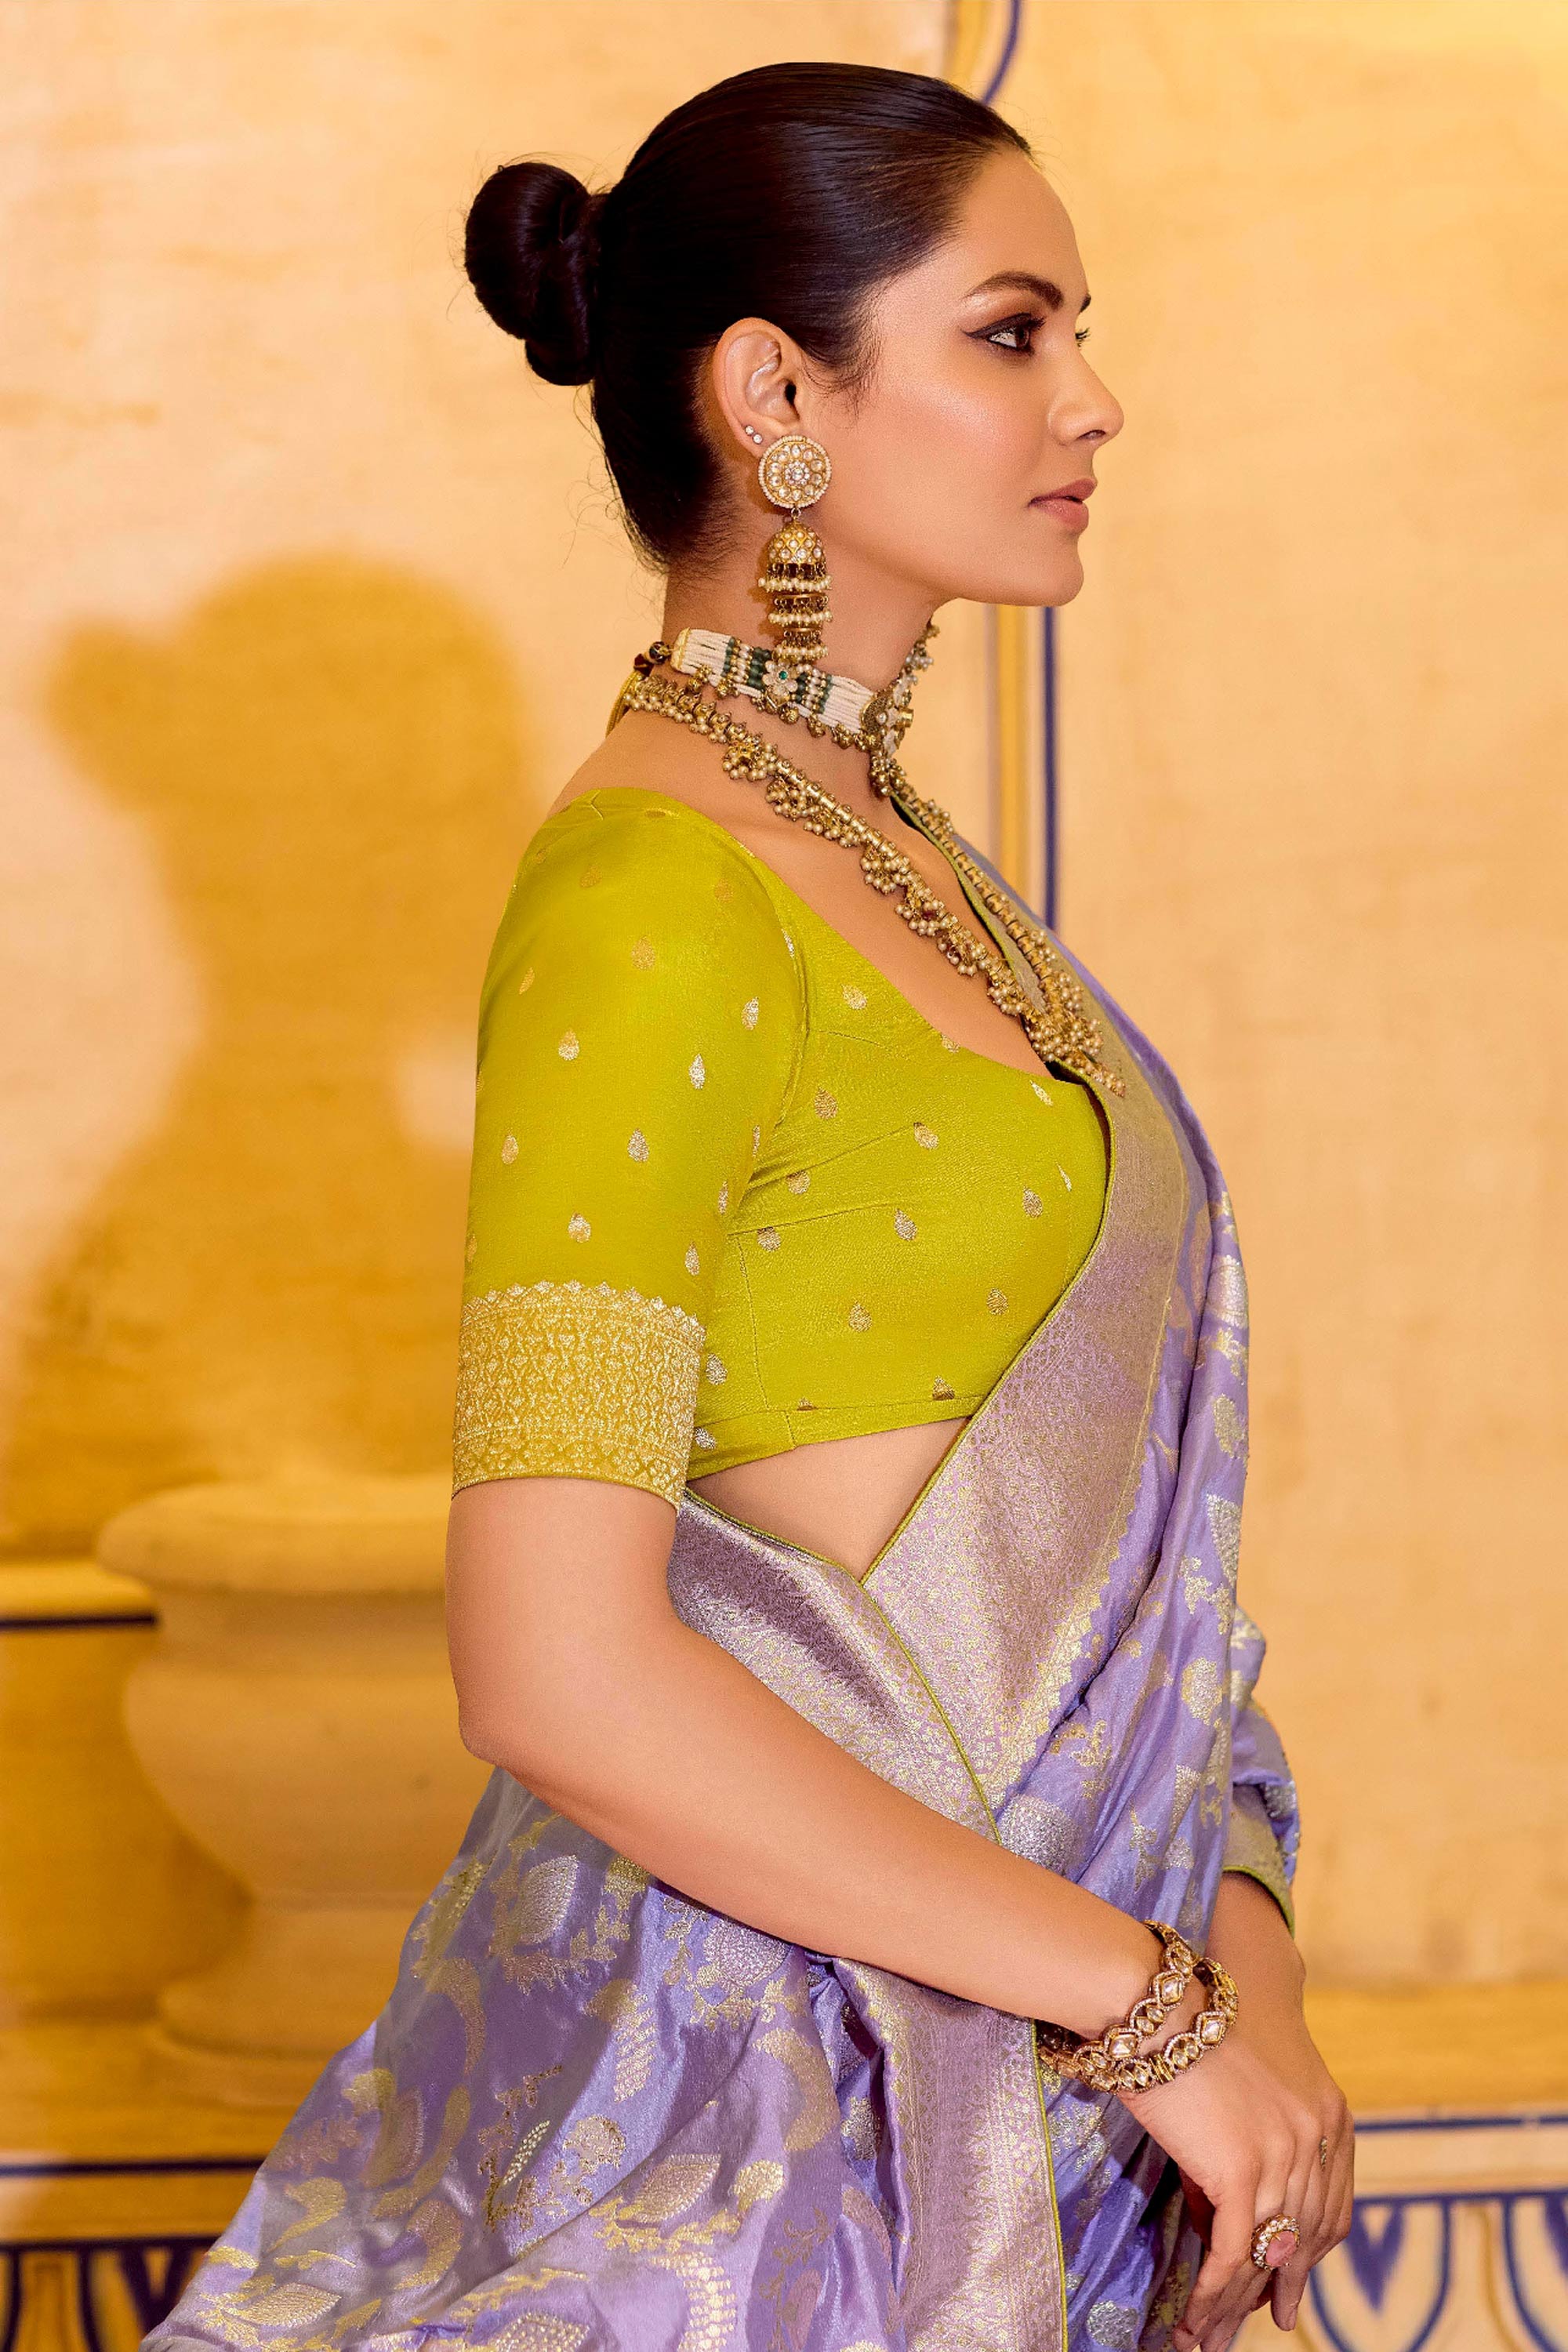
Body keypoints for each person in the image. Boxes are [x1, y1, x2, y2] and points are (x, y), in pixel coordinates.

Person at [147, 60, 1352, 2352]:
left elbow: (1157, 1631)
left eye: (1078, 332)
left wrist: (1244, 2006)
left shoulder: (918, 877)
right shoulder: (651, 898)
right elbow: (558, 1668)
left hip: (1067, 2092)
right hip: (759, 2140)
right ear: (777, 395)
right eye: (1011, 333)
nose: (1092, 399)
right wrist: (1148, 2009)